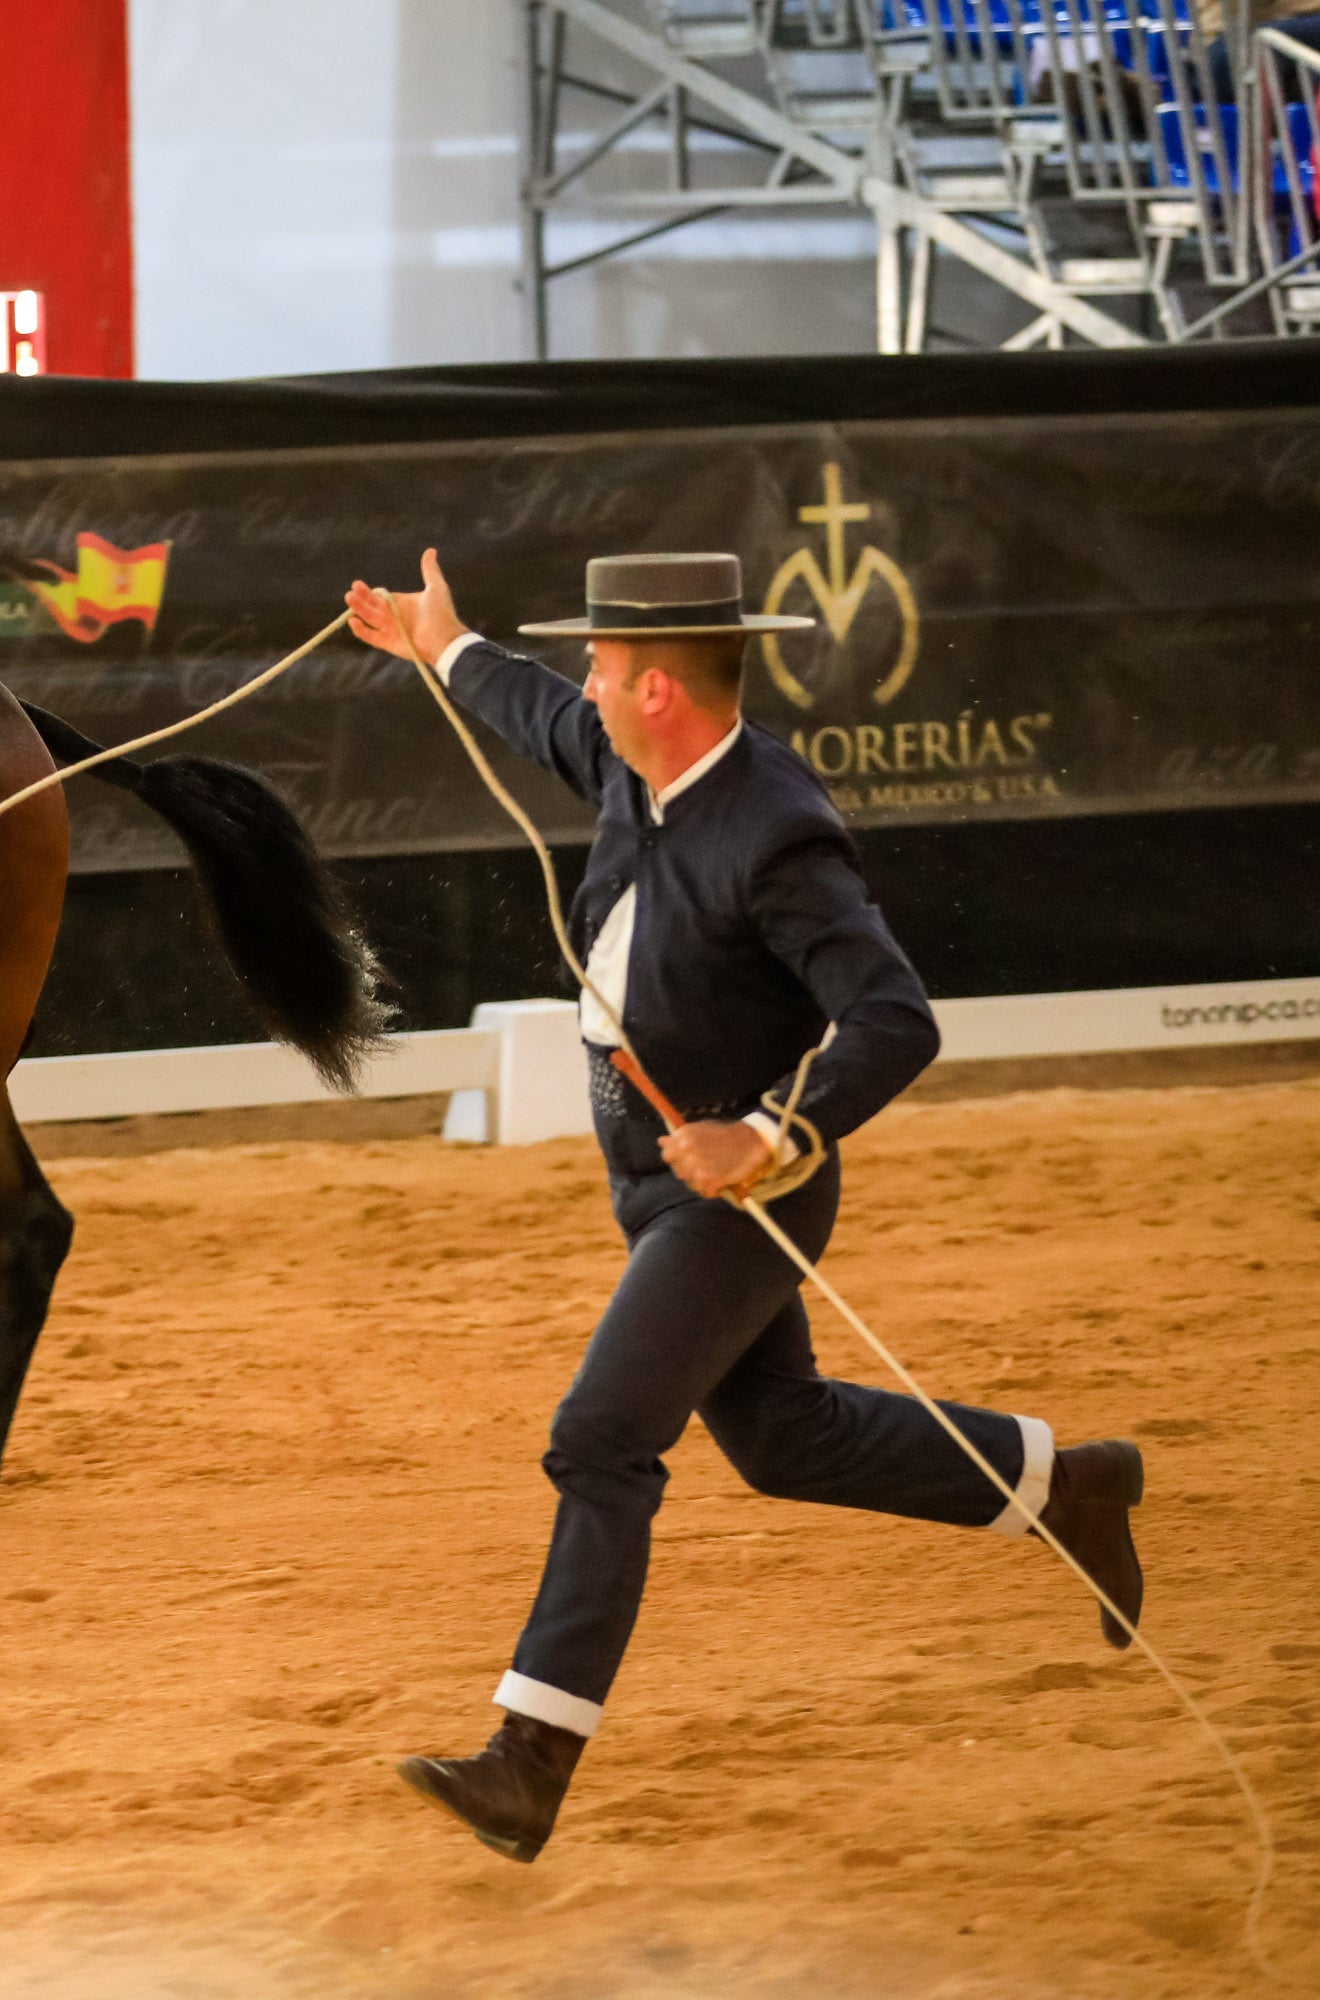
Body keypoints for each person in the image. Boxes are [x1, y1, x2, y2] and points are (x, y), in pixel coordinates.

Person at [343, 550, 1147, 1865]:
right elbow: (539, 712)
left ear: (659, 689)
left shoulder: (773, 829)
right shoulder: (630, 761)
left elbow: (894, 1017)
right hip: (655, 1186)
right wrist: (445, 646)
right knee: (783, 1438)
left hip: (741, 1204)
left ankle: (528, 1761)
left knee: (602, 1436)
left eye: (603, 669)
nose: (588, 688)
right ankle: (1069, 1484)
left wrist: (773, 1132)